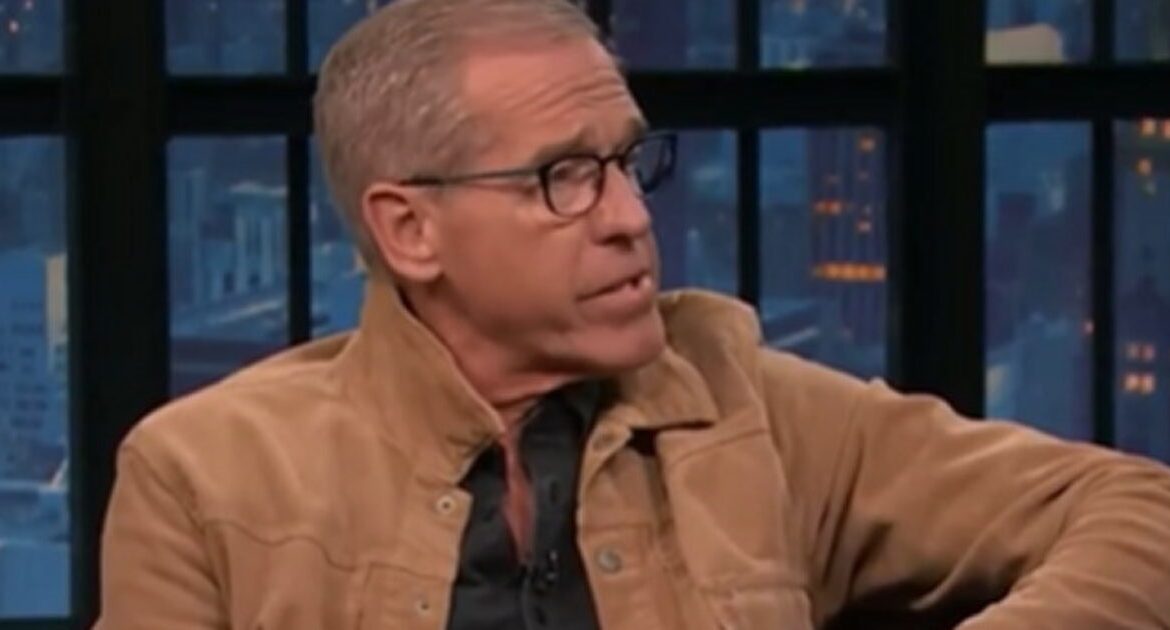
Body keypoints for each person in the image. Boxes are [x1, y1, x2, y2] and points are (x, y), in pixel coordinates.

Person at [94, 0, 1170, 628]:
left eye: (626, 163)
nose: (627, 217)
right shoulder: (208, 477)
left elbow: (1137, 510)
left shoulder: (744, 406)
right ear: (409, 229)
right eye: (564, 176)